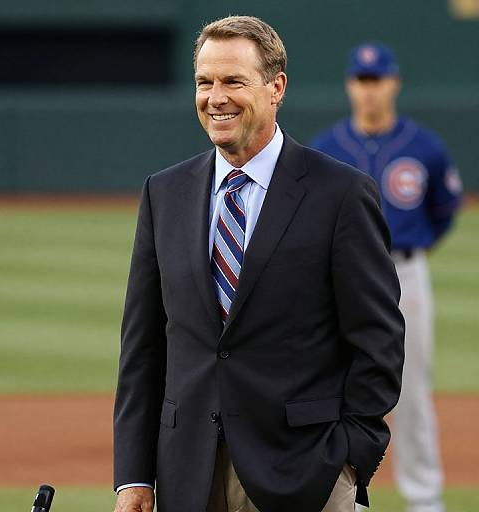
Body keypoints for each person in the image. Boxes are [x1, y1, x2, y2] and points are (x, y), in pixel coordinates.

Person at [113, 17, 405, 512]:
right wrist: (134, 478)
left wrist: (349, 460)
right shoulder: (164, 193)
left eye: (233, 81)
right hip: (187, 474)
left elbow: (378, 342)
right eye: (204, 82)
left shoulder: (341, 194)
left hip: (306, 475)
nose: (215, 97)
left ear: (276, 88)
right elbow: (143, 349)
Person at [309, 43, 463, 512]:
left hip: (405, 271)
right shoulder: (326, 149)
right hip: (342, 278)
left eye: (377, 80)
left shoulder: (426, 148)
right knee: (337, 387)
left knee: (412, 390)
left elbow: (444, 210)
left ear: (394, 83)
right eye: (362, 80)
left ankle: (424, 499)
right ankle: (343, 494)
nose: (369, 90)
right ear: (350, 86)